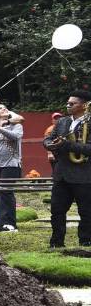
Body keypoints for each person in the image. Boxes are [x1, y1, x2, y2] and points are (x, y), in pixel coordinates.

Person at [43, 90, 91, 248]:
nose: (68, 105)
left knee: (86, 212)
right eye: (68, 103)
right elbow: (48, 138)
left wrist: (67, 145)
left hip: (84, 175)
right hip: (62, 173)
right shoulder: (63, 121)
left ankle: (85, 242)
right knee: (57, 210)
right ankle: (57, 242)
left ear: (84, 105)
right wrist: (49, 144)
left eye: (72, 103)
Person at [0, 104, 24, 232]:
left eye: (5, 107)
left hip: (11, 163)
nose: (4, 108)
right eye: (0, 108)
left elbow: (15, 136)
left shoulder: (16, 125)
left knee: (6, 192)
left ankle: (10, 224)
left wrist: (0, 128)